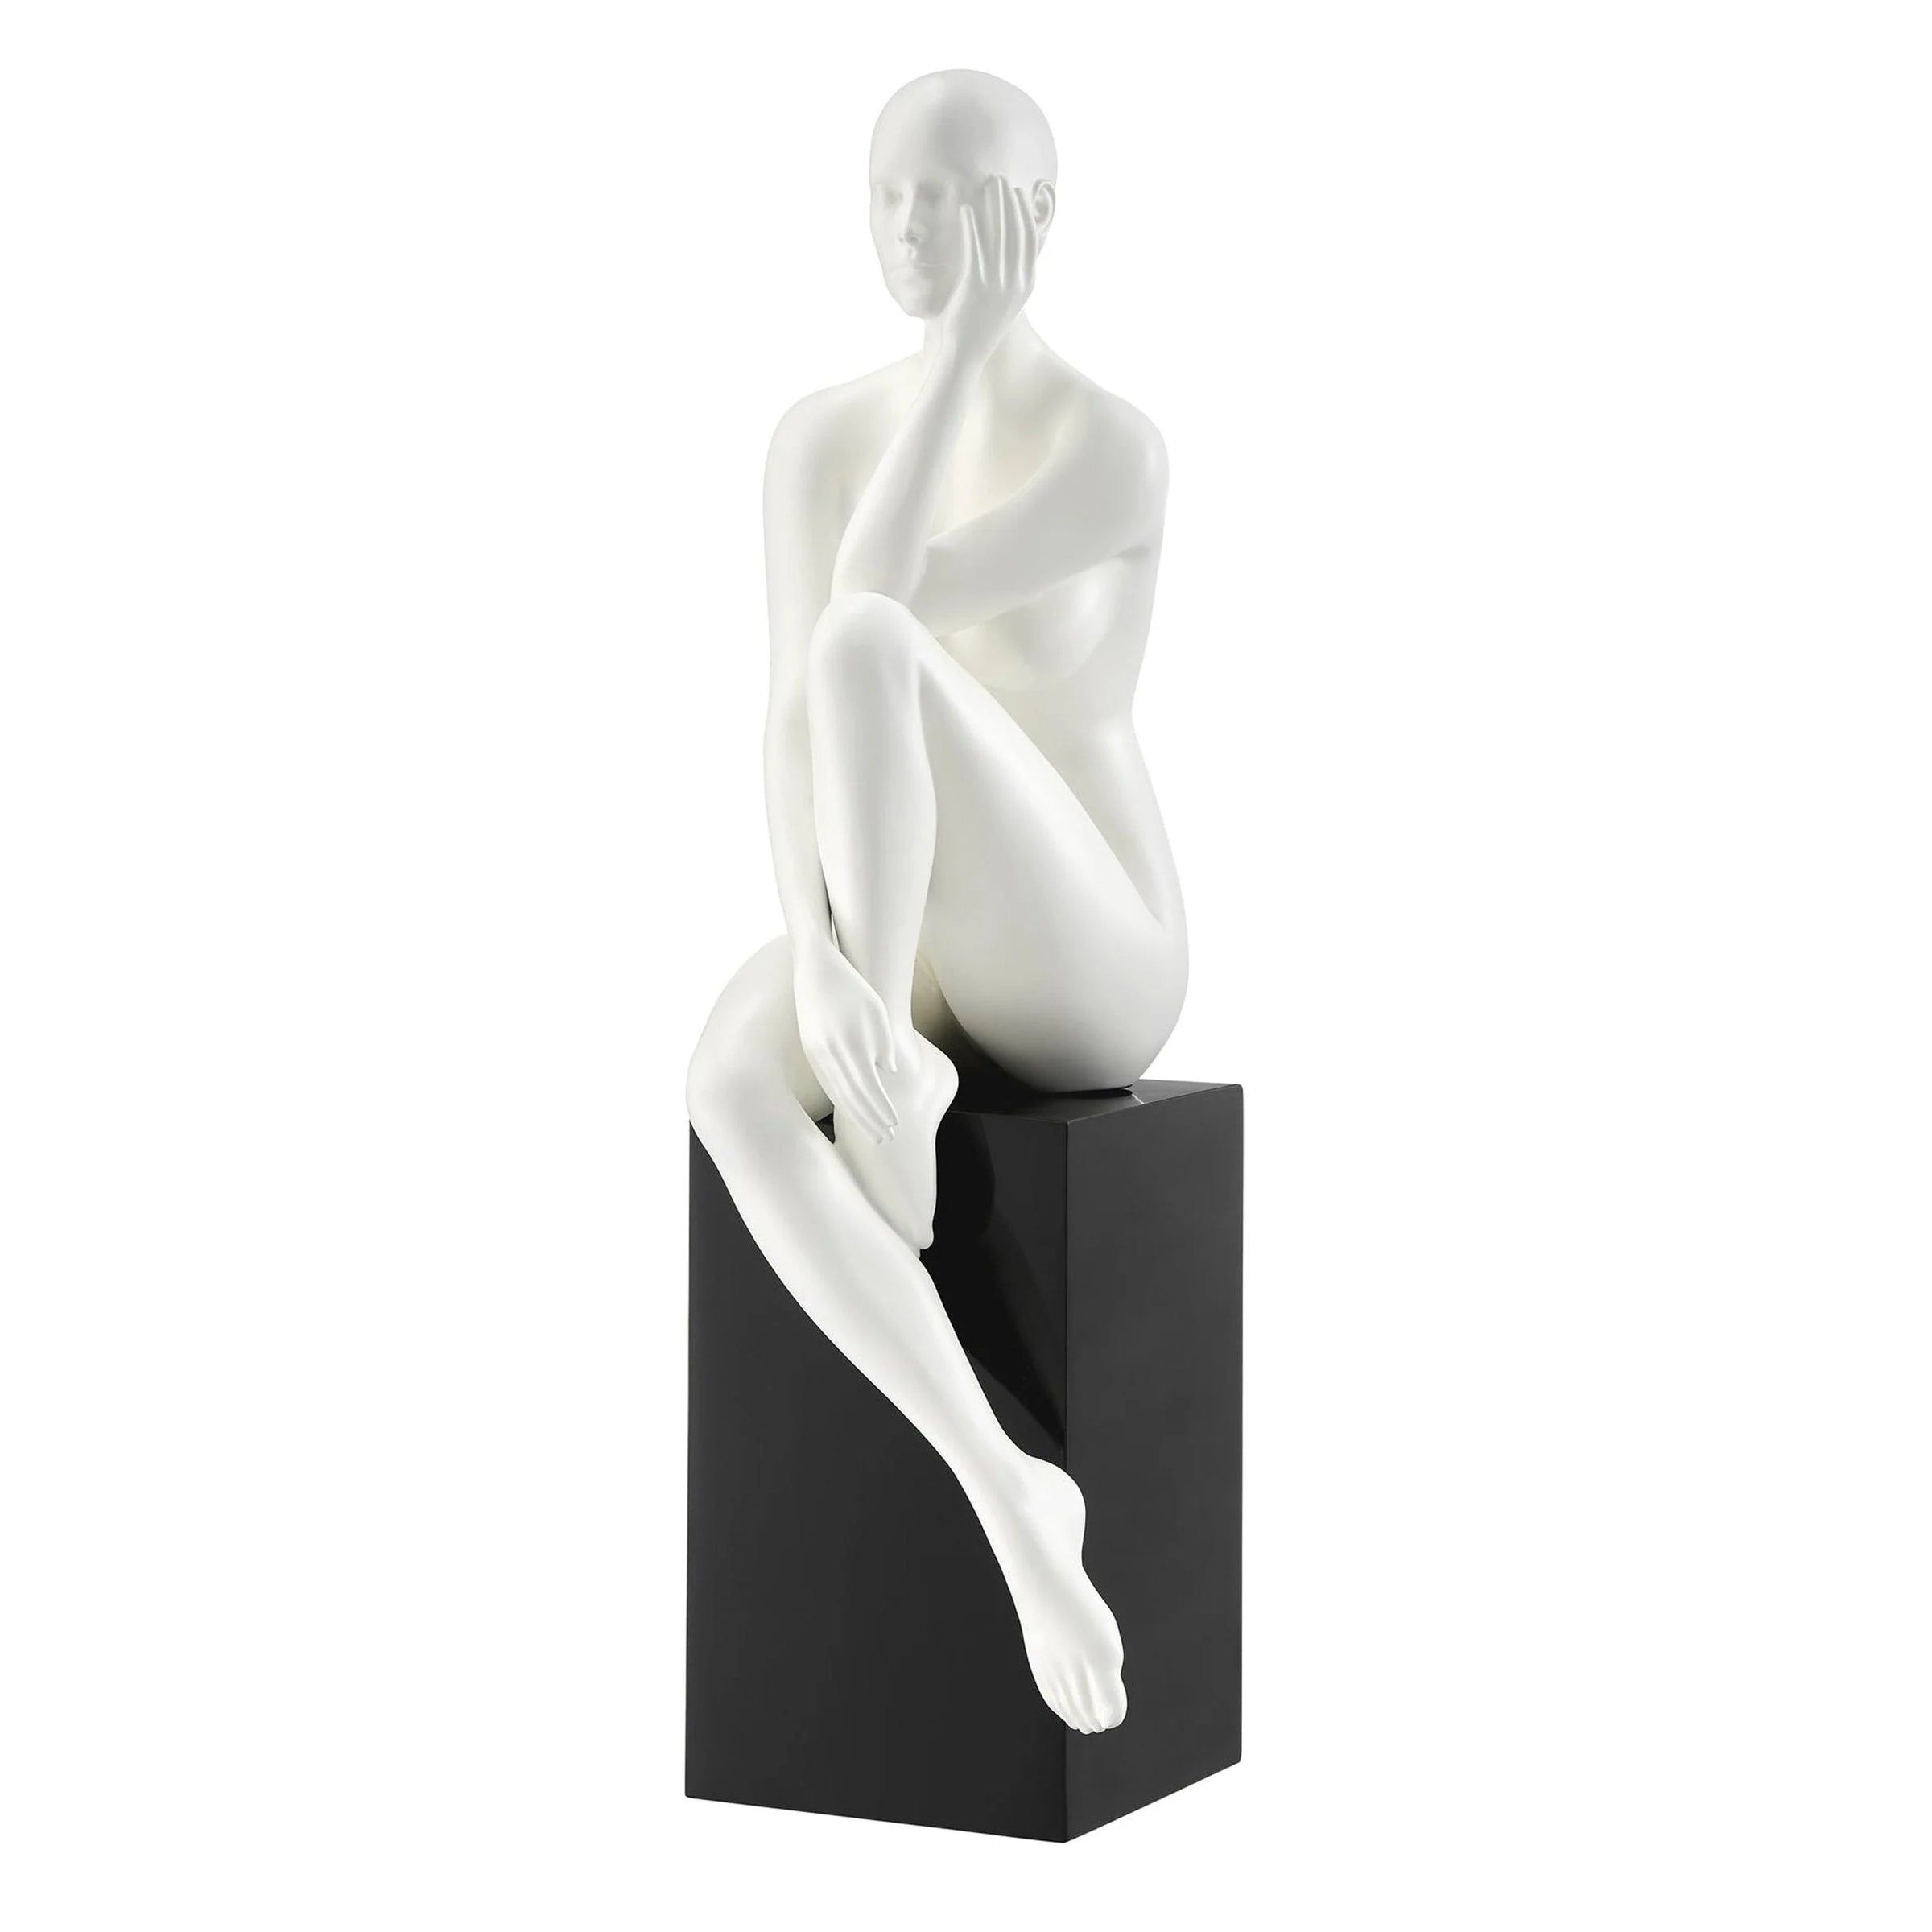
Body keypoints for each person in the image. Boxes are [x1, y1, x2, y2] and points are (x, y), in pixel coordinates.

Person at [687, 71, 1185, 1735]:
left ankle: (892, 1087)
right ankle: (1006, 1486)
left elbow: (878, 614)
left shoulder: (1109, 449)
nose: (910, 228)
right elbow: (789, 719)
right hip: (907, 956)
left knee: (871, 640)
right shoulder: (815, 440)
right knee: (729, 1075)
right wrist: (822, 961)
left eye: (951, 198)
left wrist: (967, 362)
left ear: (1029, 223)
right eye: (890, 192)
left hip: (1085, 956)